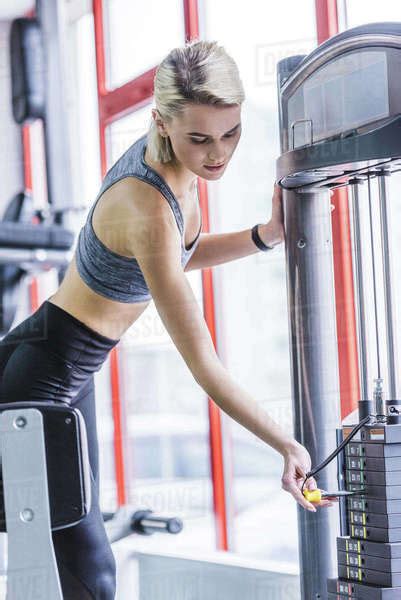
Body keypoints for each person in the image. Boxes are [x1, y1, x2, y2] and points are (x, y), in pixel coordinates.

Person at [0, 40, 333, 599]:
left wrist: (264, 235)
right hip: (43, 379)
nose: (218, 154)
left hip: (64, 367)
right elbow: (203, 363)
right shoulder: (149, 206)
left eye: (230, 134)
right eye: (200, 139)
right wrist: (287, 445)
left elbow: (178, 256)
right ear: (162, 122)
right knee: (88, 571)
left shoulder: (176, 164)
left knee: (76, 566)